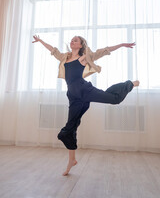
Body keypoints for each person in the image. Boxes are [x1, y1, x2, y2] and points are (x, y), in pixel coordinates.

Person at [32, 35, 139, 176]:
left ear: (81, 45)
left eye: (75, 40)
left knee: (114, 99)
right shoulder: (65, 57)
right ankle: (72, 160)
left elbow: (104, 51)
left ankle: (129, 84)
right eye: (71, 39)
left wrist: (121, 44)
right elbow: (53, 50)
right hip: (73, 96)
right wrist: (40, 41)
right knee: (70, 128)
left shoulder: (84, 57)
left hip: (85, 91)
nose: (72, 41)